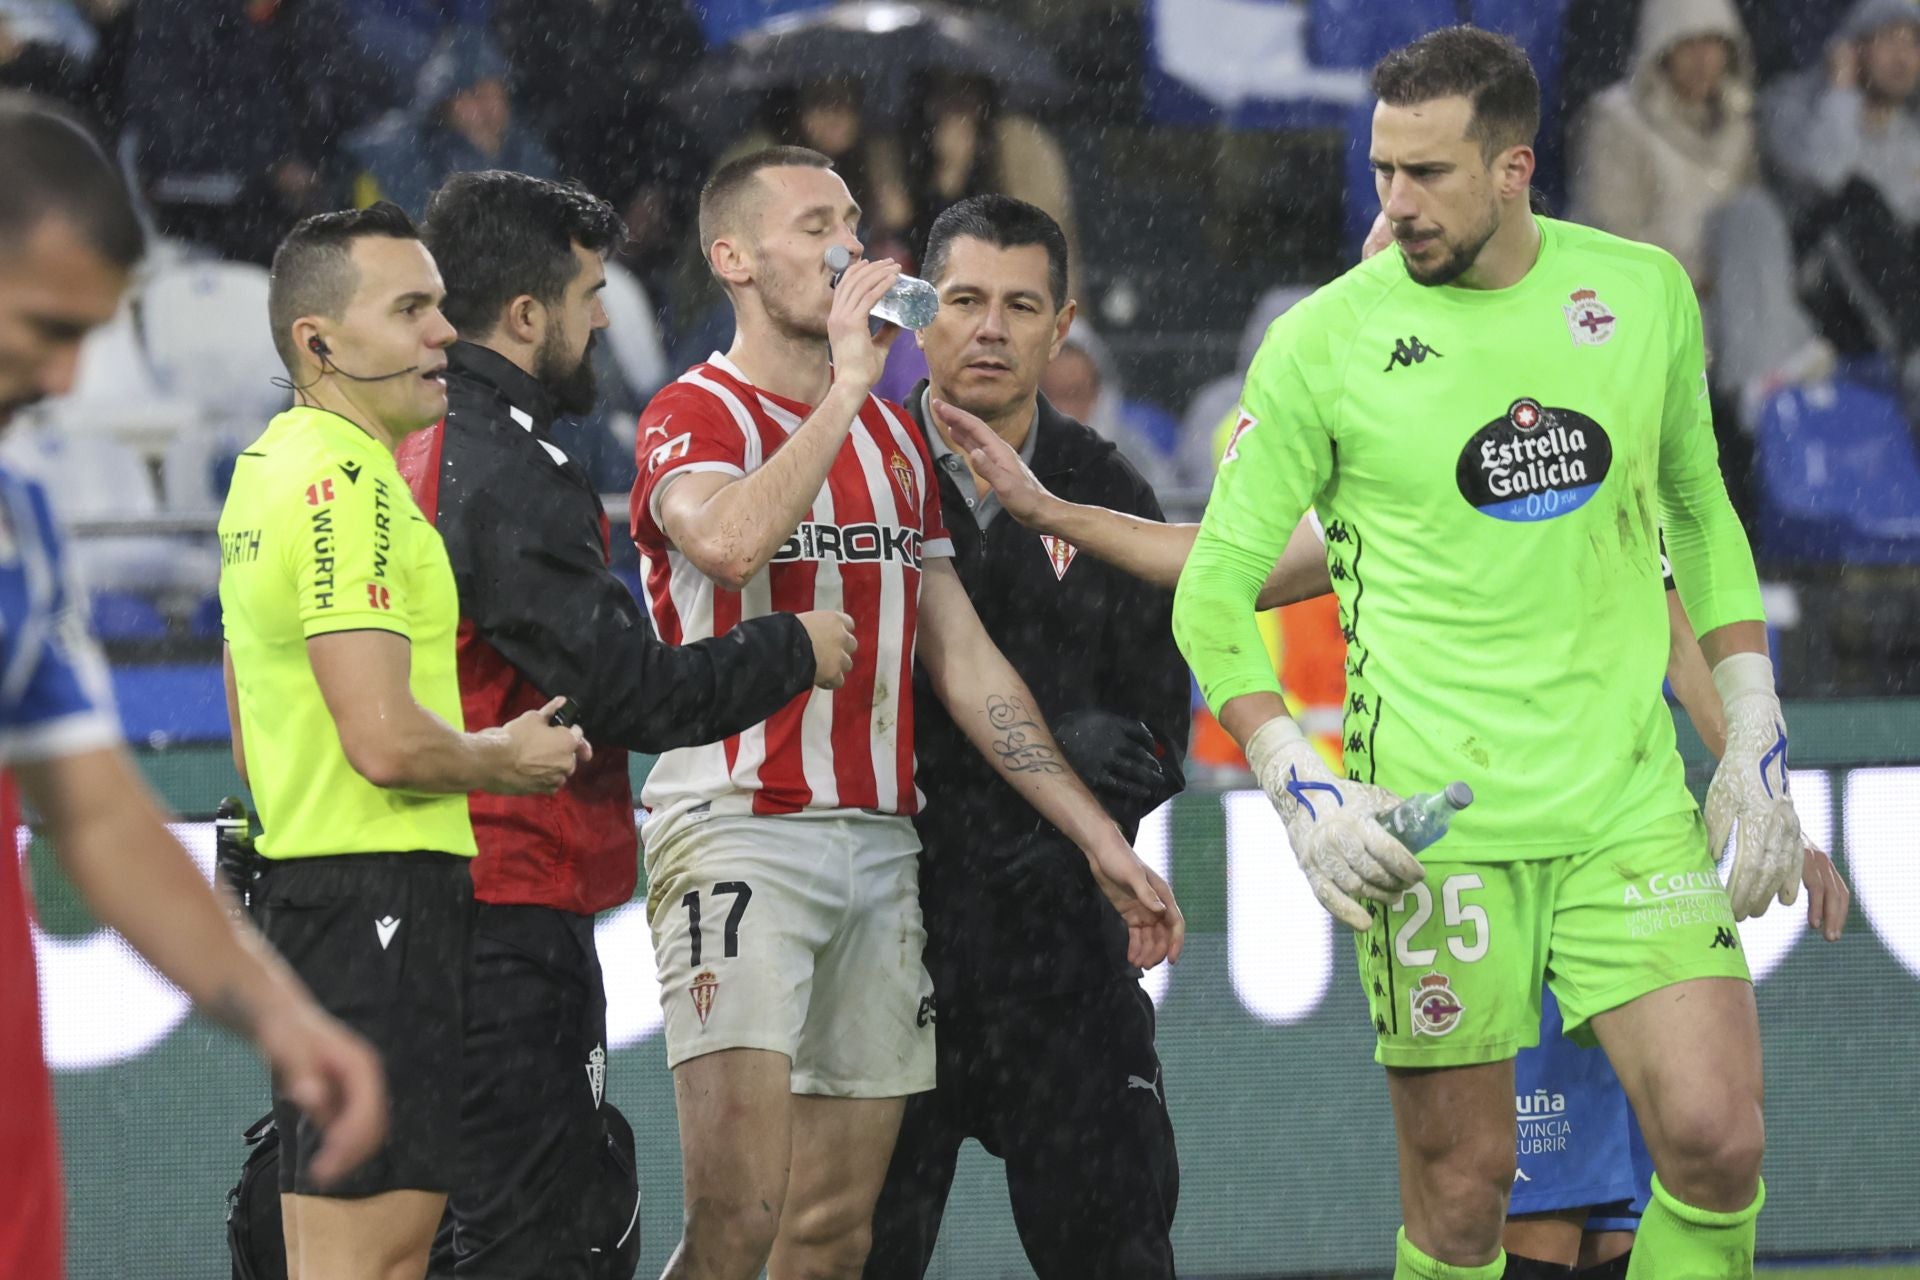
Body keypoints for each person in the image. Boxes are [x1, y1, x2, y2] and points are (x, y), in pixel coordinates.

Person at [1169, 27, 1803, 1279]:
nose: (1395, 203)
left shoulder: (1638, 295)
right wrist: (1295, 771)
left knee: (1718, 1140)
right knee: (1467, 1199)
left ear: (1515, 166)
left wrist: (1755, 714)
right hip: (1437, 828)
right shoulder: (1323, 343)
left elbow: (1701, 513)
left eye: (1429, 174)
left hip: (1627, 808)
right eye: (1382, 170)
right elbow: (1213, 592)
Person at [628, 145, 1183, 1280]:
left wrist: (1094, 833)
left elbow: (967, 660)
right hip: (744, 828)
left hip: (886, 856)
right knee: (739, 1223)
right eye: (814, 225)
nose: (847, 249)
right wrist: (844, 384)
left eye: (851, 221)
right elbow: (729, 541)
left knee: (835, 1235)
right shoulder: (699, 410)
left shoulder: (897, 448)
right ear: (730, 256)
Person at [396, 168, 855, 1278]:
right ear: (526, 314)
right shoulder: (508, 468)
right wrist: (791, 645)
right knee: (542, 1238)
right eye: (590, 291)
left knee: (432, 1235)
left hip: (410, 899)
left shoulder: (401, 445)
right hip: (504, 902)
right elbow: (628, 691)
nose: (603, 316)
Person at [0, 91, 386, 1280]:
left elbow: (102, 813)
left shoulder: (18, 530)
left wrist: (275, 1009)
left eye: (89, 339)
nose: (66, 381)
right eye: (45, 328)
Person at [219, 200, 589, 1280]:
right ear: (317, 341)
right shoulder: (351, 484)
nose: (444, 334)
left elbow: (249, 736)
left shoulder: (265, 469)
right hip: (380, 895)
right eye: (413, 308)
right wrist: (504, 756)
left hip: (318, 896)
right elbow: (380, 738)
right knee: (375, 1260)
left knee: (348, 1252)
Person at [861, 195, 1188, 1280]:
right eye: (962, 300)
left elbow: (1158, 732)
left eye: (1019, 304)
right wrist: (1040, 769)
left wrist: (1073, 814)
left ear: (1064, 325)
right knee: (858, 1255)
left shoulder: (1108, 490)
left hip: (1065, 965)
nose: (989, 329)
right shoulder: (856, 473)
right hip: (895, 953)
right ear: (918, 315)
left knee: (1116, 1253)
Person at [1568, 0, 1758, 290]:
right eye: (1688, 43)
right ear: (1661, 46)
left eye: (1712, 42)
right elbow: (1610, 235)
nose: (1702, 60)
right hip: (1648, 298)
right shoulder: (1616, 121)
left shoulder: (1740, 123)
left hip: (1736, 298)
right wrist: (1697, 278)